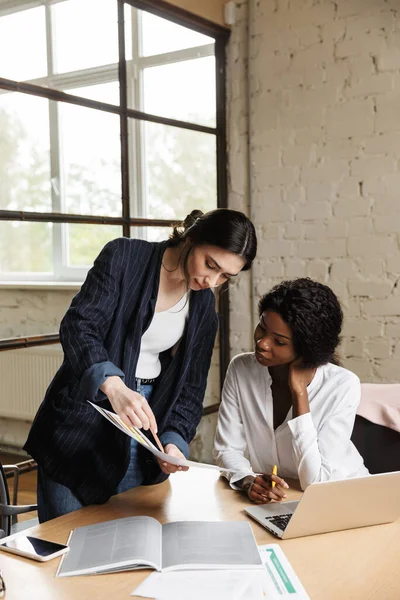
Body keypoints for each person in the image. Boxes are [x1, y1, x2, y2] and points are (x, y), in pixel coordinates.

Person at [24, 208, 257, 522]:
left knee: (126, 540)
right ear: (193, 237)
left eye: (225, 276)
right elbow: (79, 327)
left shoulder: (203, 308)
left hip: (144, 431)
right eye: (210, 264)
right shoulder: (124, 257)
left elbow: (190, 389)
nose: (211, 281)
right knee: (66, 542)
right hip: (81, 422)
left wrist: (174, 443)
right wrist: (115, 386)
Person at [213, 278, 369, 504]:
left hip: (344, 498)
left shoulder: (342, 385)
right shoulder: (241, 370)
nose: (262, 343)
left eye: (279, 341)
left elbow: (315, 482)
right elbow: (226, 449)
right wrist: (248, 481)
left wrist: (300, 394)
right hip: (280, 502)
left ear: (306, 349)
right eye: (262, 328)